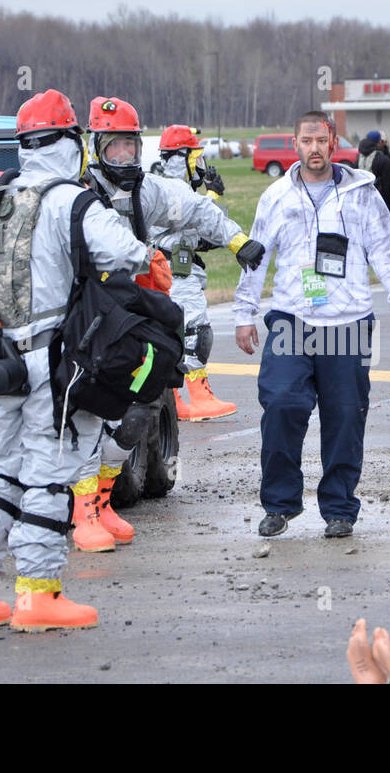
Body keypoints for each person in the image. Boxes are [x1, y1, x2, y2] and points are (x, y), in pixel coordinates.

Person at [0, 89, 153, 631]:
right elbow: (127, 252)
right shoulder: (72, 201)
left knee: (1, 478)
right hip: (51, 364)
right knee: (49, 478)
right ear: (71, 141)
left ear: (23, 144)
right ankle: (39, 595)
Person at [79, 101, 264, 552]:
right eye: (113, 147)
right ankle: (78, 509)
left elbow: (196, 209)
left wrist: (237, 240)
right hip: (80, 316)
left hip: (125, 312)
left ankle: (102, 501)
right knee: (83, 414)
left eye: (129, 146)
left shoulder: (148, 193)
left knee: (146, 393)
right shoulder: (74, 193)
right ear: (95, 149)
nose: (122, 157)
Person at [235, 111, 390, 539]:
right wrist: (243, 315)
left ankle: (339, 509)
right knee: (281, 404)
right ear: (294, 144)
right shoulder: (276, 196)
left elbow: (387, 247)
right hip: (291, 320)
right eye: (306, 141)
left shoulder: (360, 193)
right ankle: (280, 504)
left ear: (333, 143)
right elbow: (254, 257)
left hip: (350, 322)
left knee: (345, 416)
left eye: (321, 140)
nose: (314, 148)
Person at [148, 121, 262, 423]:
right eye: (195, 159)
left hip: (170, 268)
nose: (199, 165)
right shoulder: (169, 189)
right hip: (177, 270)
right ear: (180, 158)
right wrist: (216, 206)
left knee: (169, 335)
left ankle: (174, 401)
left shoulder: (161, 185)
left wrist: (210, 198)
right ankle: (199, 396)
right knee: (195, 332)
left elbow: (191, 223)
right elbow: (192, 218)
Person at [356, 130, 390, 228]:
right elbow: (389, 185)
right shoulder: (382, 159)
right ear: (379, 142)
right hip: (379, 202)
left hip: (360, 201)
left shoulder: (358, 158)